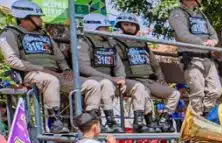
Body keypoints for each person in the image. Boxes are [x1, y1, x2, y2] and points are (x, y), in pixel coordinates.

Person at [0, 1, 100, 133]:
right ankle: (55, 121)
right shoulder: (9, 33)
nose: (41, 20)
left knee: (92, 84)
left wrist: (66, 69)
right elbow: (12, 60)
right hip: (31, 74)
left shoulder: (44, 35)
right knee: (50, 80)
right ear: (25, 17)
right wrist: (42, 69)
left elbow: (59, 57)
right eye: (37, 17)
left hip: (55, 74)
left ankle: (89, 122)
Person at [114, 13, 180, 133]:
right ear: (119, 26)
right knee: (142, 91)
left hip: (148, 79)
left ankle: (163, 120)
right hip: (130, 80)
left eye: (132, 25)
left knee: (174, 94)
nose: (129, 27)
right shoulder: (114, 42)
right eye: (126, 24)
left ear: (137, 27)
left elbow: (155, 65)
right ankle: (144, 122)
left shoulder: (143, 43)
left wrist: (161, 78)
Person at [170, 0, 221, 115]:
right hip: (191, 57)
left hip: (207, 57)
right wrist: (203, 42)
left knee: (215, 91)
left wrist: (213, 41)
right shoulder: (177, 13)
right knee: (197, 91)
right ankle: (197, 119)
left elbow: (213, 34)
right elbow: (182, 35)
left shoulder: (201, 15)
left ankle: (206, 115)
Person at [77, 14, 124, 133]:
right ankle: (94, 120)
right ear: (94, 27)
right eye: (105, 28)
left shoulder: (110, 43)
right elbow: (83, 68)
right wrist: (111, 78)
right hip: (89, 78)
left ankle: (110, 121)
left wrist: (121, 78)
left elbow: (119, 65)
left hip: (108, 80)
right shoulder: (83, 42)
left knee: (107, 83)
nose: (108, 31)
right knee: (105, 83)